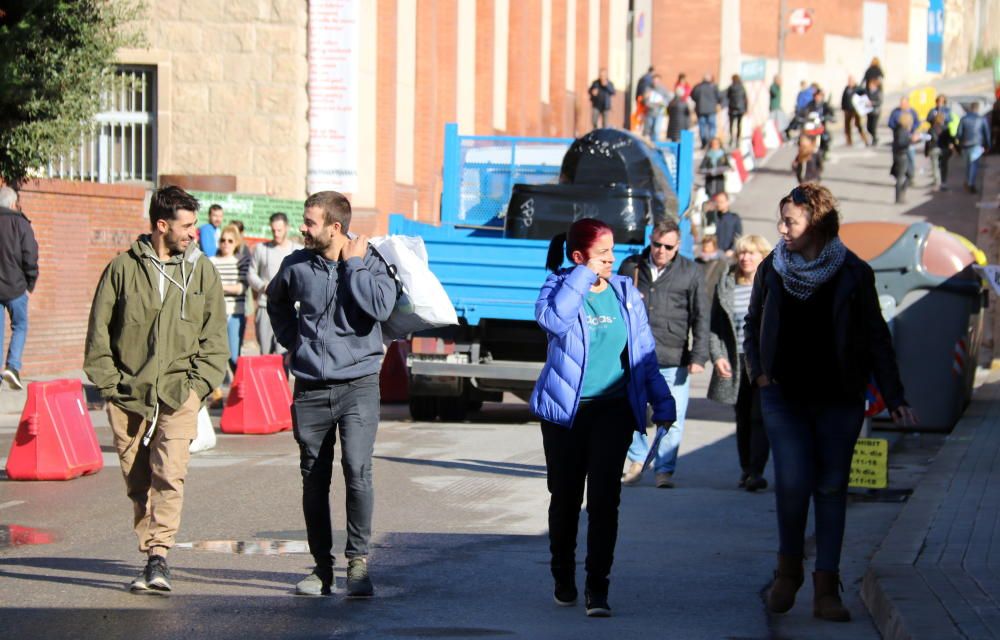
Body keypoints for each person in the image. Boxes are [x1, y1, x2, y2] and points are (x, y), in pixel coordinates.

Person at [745, 183, 916, 623]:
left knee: (831, 488)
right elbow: (752, 325)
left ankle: (826, 587)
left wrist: (894, 396)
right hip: (783, 396)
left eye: (791, 221)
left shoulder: (854, 273)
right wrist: (759, 373)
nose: (782, 229)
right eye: (782, 220)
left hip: (839, 398)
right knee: (793, 481)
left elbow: (877, 335)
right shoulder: (772, 268)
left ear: (816, 224)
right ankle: (788, 571)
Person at [84, 186, 228, 593]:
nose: (193, 233)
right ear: (161, 225)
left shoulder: (202, 272)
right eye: (186, 225)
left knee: (170, 474)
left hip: (179, 393)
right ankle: (150, 546)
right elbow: (98, 335)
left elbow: (215, 341)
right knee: (137, 480)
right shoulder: (121, 269)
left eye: (195, 225)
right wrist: (111, 386)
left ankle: (158, 556)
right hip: (128, 392)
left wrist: (197, 388)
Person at [531, 218, 675, 617]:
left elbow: (644, 355)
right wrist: (581, 276)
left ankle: (598, 585)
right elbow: (554, 321)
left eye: (613, 251)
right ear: (579, 258)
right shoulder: (557, 288)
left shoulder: (626, 292)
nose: (613, 259)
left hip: (612, 411)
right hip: (566, 414)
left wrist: (662, 401)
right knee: (564, 498)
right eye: (602, 254)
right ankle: (563, 575)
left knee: (604, 501)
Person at [266, 191, 396, 598]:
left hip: (358, 385)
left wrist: (354, 264)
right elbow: (276, 302)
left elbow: (381, 306)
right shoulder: (296, 265)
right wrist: (294, 344)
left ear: (334, 227)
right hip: (310, 389)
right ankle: (322, 569)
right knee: (313, 478)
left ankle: (357, 564)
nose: (303, 228)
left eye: (309, 222)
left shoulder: (370, 260)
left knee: (357, 471)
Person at [619, 219, 708, 489]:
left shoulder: (691, 272)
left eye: (668, 247)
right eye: (657, 244)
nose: (661, 251)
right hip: (635, 355)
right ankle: (636, 461)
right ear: (650, 239)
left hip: (673, 356)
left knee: (672, 416)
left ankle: (664, 470)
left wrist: (699, 356)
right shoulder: (631, 266)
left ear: (678, 246)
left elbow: (701, 316)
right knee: (631, 413)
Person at [708, 234, 773, 492]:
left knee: (760, 417)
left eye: (751, 253)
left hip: (763, 360)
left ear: (762, 257)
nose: (745, 258)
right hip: (737, 359)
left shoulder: (771, 284)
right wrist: (718, 356)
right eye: (741, 253)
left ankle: (756, 471)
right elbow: (715, 325)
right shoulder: (726, 283)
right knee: (743, 417)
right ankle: (746, 468)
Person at [248, 212, 302, 355]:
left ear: (287, 228)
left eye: (279, 230)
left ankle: (283, 378)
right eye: (273, 230)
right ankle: (266, 378)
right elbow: (251, 274)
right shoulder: (261, 249)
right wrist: (262, 286)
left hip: (289, 309)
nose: (276, 234)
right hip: (265, 306)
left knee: (284, 353)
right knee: (265, 352)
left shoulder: (297, 250)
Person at [0, 186, 38, 390]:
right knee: (20, 326)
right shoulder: (21, 224)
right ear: (13, 204)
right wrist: (30, 281)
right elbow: (30, 254)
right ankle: (12, 367)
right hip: (15, 288)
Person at [209, 224, 248, 373]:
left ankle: (239, 389)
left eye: (230, 241)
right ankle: (217, 393)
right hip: (215, 313)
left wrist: (219, 287)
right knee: (215, 355)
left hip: (235, 312)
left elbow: (241, 288)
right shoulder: (211, 261)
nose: (226, 243)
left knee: (234, 356)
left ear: (236, 243)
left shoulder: (241, 261)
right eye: (223, 240)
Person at [955, 101, 992, 193]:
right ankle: (970, 183)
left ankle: (968, 181)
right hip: (976, 144)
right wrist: (988, 145)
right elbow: (986, 133)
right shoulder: (981, 119)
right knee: (974, 164)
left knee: (968, 165)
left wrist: (959, 144)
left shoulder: (964, 119)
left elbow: (959, 134)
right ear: (977, 109)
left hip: (965, 145)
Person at [889, 103, 919, 203]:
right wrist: (911, 140)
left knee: (908, 175)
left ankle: (901, 195)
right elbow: (901, 143)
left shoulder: (903, 130)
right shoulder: (901, 130)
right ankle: (899, 197)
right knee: (901, 177)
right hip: (901, 155)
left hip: (902, 154)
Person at [691, 74, 723, 148]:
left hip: (701, 110)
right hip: (711, 110)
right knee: (712, 126)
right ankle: (711, 142)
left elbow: (693, 96)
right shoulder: (714, 87)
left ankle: (704, 142)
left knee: (702, 126)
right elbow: (719, 97)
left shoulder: (698, 87)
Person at [925, 112, 955, 191]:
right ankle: (943, 182)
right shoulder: (946, 128)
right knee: (944, 166)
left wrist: (926, 151)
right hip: (944, 149)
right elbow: (950, 139)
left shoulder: (931, 129)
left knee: (935, 166)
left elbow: (928, 141)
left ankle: (937, 182)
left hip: (934, 149)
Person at [709, 192, 743, 256]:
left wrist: (732, 249)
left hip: (729, 254)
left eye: (721, 202)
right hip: (714, 253)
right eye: (717, 202)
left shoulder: (734, 218)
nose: (719, 204)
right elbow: (708, 236)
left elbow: (738, 236)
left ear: (727, 202)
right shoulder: (712, 217)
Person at [840, 76, 867, 146]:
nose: (850, 82)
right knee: (847, 126)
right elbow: (843, 99)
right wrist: (843, 107)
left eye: (851, 81)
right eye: (849, 81)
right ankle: (849, 141)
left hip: (856, 110)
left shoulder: (858, 89)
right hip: (848, 109)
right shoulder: (846, 89)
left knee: (858, 124)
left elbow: (864, 98)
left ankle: (864, 139)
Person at [643, 74, 669, 141]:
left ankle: (655, 144)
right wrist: (652, 104)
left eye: (657, 81)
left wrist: (662, 103)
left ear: (659, 81)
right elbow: (645, 101)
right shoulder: (648, 89)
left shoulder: (663, 90)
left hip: (659, 113)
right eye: (654, 81)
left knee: (656, 130)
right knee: (648, 129)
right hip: (650, 112)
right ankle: (650, 144)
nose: (655, 83)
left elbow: (667, 99)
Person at [726, 74, 748, 148]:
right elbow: (745, 99)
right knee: (739, 124)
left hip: (732, 108)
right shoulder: (742, 87)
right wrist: (746, 108)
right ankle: (738, 139)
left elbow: (727, 96)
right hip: (740, 108)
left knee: (731, 124)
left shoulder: (731, 87)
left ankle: (731, 138)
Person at [862, 78, 883, 146]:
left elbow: (879, 102)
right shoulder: (868, 92)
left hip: (876, 112)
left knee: (873, 127)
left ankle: (874, 139)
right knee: (868, 127)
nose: (870, 86)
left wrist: (872, 103)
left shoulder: (878, 92)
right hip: (869, 112)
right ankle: (875, 137)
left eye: (871, 85)